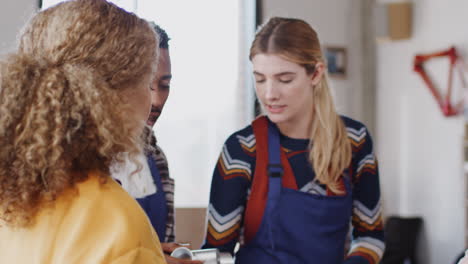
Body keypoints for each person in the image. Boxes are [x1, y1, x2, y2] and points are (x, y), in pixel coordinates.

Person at [202, 17, 385, 264]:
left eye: (285, 79)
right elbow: (216, 253)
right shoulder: (242, 149)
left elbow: (370, 237)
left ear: (316, 74)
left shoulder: (354, 141)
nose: (269, 94)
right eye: (260, 79)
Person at [0, 0, 166, 263]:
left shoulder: (12, 204)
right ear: (117, 100)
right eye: (148, 83)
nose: (153, 99)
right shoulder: (119, 229)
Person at [112, 23, 201, 264]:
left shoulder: (156, 158)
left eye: (165, 86)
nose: (157, 100)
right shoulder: (82, 161)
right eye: (147, 85)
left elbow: (161, 244)